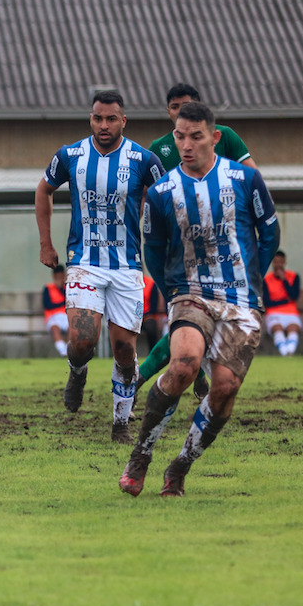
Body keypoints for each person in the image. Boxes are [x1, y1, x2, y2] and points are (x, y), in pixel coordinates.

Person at [120, 101, 280, 498]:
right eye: (180, 136)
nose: (186, 144)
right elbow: (152, 248)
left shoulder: (245, 180)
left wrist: (253, 281)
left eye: (195, 136)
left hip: (240, 297)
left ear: (214, 137)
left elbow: (270, 231)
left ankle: (180, 467)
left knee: (224, 389)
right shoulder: (161, 192)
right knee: (185, 365)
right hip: (190, 292)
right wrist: (170, 289)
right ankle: (140, 457)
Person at [35, 90, 165, 443]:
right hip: (84, 263)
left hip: (126, 268)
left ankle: (120, 425)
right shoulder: (70, 155)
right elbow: (43, 190)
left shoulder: (143, 159)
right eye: (97, 118)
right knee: (82, 341)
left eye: (111, 119)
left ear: (124, 120)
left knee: (125, 349)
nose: (103, 125)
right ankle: (77, 372)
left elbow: (169, 198)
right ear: (90, 119)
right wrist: (46, 243)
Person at [149, 83, 257, 172]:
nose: (180, 111)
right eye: (174, 107)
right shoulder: (157, 147)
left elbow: (252, 176)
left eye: (186, 105)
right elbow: (145, 191)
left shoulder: (225, 135)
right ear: (168, 112)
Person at [264, 251, 301, 356]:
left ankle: (289, 352)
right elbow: (267, 302)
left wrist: (284, 280)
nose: (278, 265)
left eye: (280, 262)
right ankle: (285, 353)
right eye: (275, 262)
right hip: (273, 313)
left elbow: (294, 296)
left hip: (291, 312)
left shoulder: (293, 276)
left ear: (285, 262)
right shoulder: (266, 279)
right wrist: (285, 301)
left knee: (293, 328)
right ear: (272, 263)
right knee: (277, 328)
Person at [42, 265, 68, 357]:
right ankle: (63, 350)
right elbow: (47, 305)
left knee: (72, 329)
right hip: (53, 316)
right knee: (55, 328)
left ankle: (70, 350)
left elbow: (69, 300)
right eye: (57, 277)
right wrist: (62, 303)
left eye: (61, 277)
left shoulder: (67, 288)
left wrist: (60, 288)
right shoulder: (48, 288)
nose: (59, 279)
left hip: (66, 315)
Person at [141, 274, 165, 349]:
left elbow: (153, 307)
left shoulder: (150, 283)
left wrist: (142, 316)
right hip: (131, 316)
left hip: (146, 317)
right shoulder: (127, 283)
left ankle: (152, 351)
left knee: (151, 327)